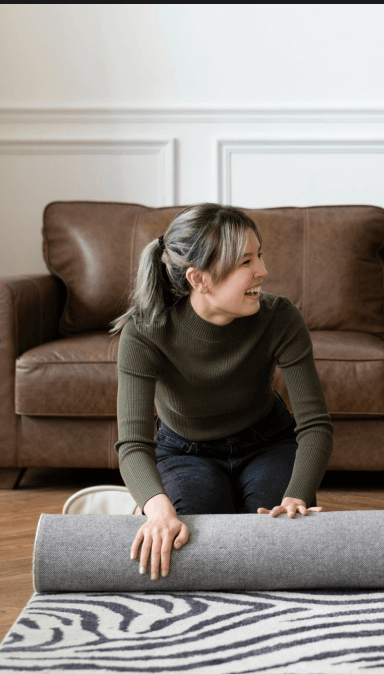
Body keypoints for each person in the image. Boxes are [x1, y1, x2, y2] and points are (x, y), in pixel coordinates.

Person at [111, 203, 333, 581]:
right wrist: (158, 506)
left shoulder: (279, 317)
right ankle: (143, 503)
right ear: (200, 279)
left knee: (276, 544)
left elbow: (315, 425)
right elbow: (132, 442)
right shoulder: (145, 329)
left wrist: (297, 495)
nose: (262, 270)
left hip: (267, 442)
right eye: (246, 261)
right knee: (189, 542)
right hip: (184, 450)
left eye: (259, 255)